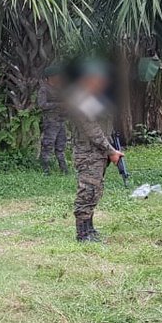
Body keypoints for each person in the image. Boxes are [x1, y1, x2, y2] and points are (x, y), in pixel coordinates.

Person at [66, 58, 124, 243]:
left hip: (98, 153)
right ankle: (83, 234)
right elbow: (93, 131)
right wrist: (111, 151)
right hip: (89, 154)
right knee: (87, 191)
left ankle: (89, 230)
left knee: (95, 191)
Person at [37, 64, 69, 175]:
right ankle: (45, 169)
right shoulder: (44, 89)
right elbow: (42, 105)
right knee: (48, 145)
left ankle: (64, 169)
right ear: (51, 76)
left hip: (61, 120)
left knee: (61, 146)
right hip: (50, 121)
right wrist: (59, 105)